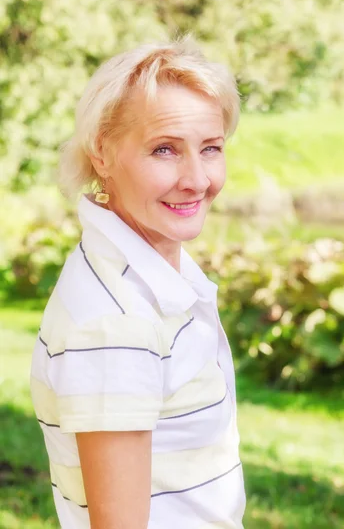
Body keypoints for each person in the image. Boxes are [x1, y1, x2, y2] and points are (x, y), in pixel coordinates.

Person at [30, 37, 246, 528]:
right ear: (102, 153)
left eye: (210, 148)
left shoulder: (146, 273)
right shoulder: (115, 323)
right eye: (165, 149)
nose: (196, 179)